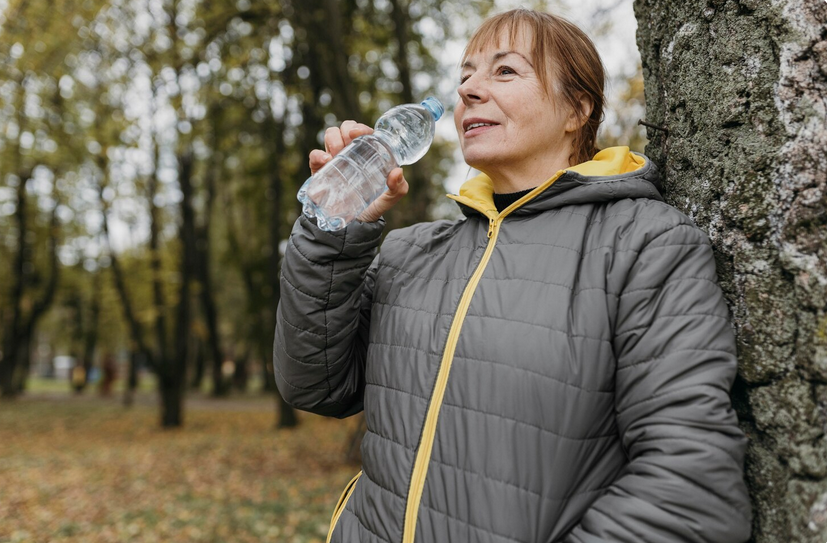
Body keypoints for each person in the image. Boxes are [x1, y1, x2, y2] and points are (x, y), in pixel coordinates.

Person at [274, 8, 752, 543]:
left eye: (504, 71)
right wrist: (332, 233)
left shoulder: (642, 243)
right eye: (465, 76)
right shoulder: (413, 251)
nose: (470, 91)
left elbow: (691, 490)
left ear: (577, 108)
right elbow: (314, 385)